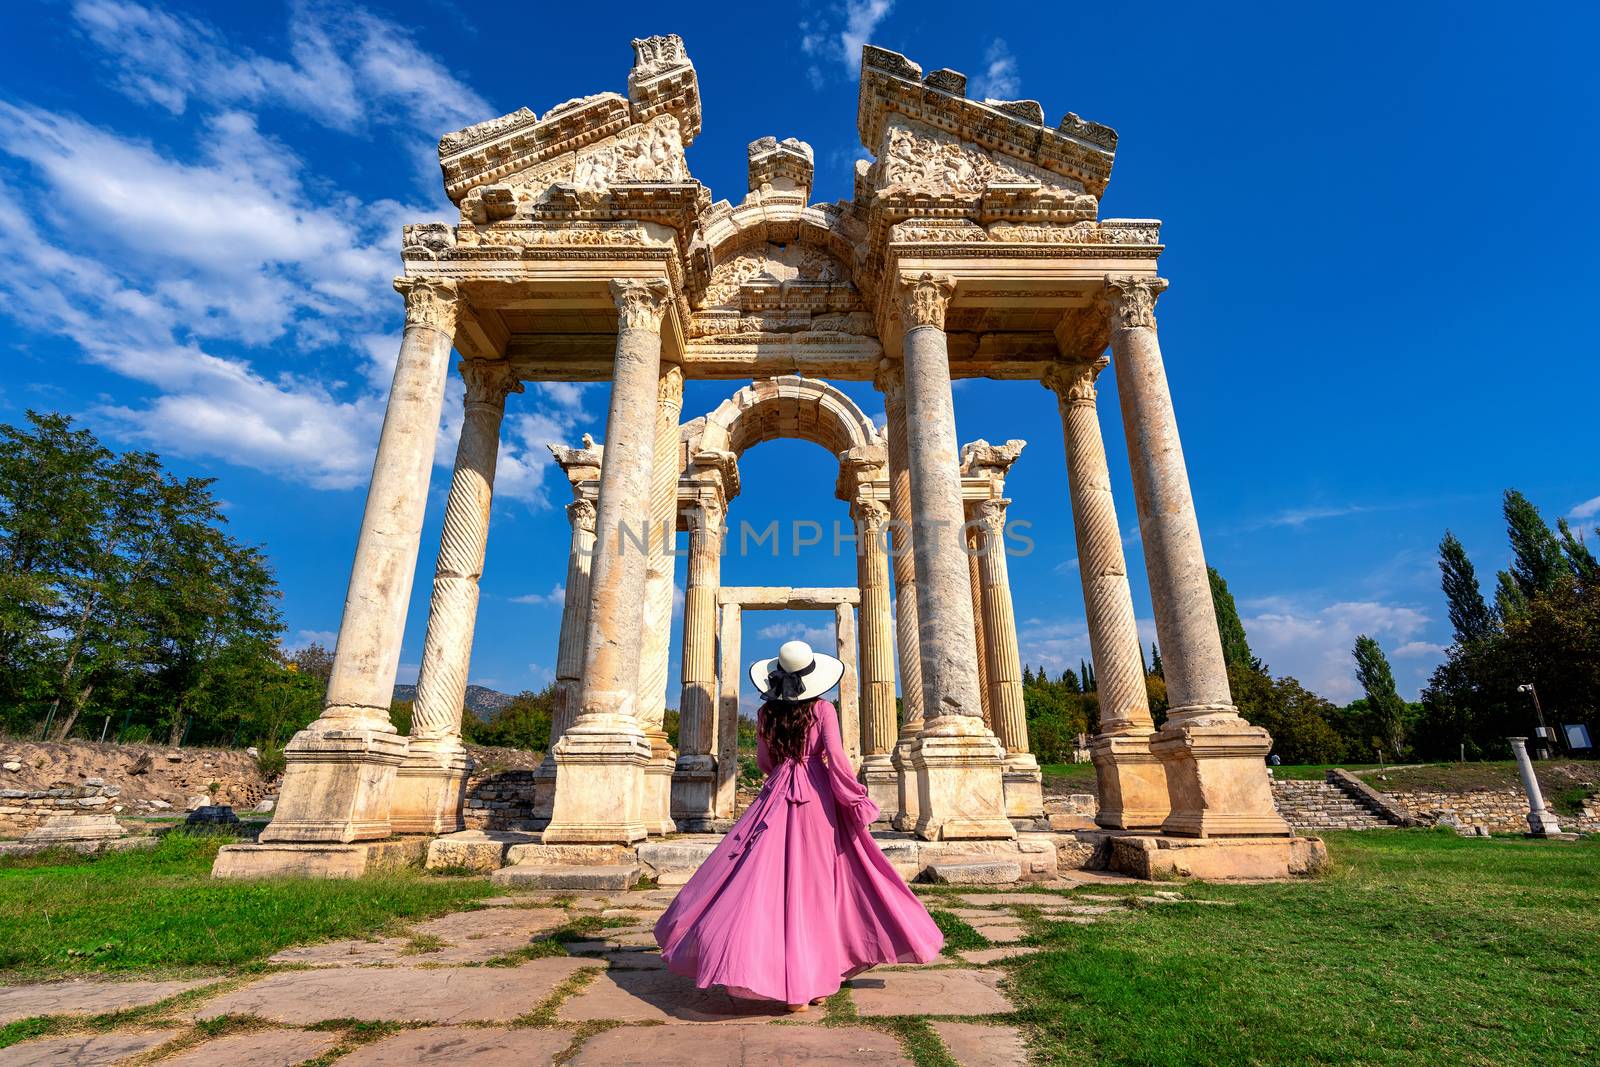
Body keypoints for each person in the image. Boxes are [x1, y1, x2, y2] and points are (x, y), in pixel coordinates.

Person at [654, 639, 944, 1011]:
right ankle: (816, 982)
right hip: (817, 798)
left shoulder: (765, 715)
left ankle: (773, 972)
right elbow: (836, 757)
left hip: (776, 795)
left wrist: (783, 771)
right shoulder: (823, 709)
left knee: (760, 881)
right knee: (820, 886)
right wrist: (854, 797)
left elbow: (763, 761)